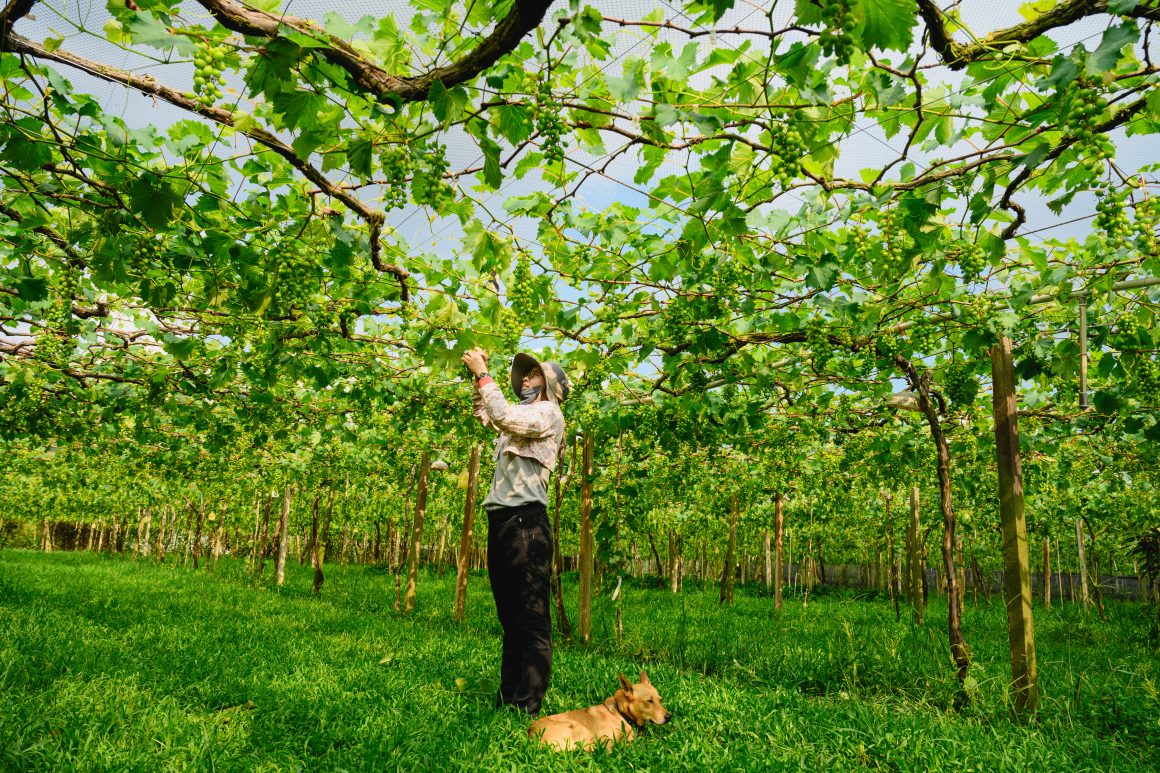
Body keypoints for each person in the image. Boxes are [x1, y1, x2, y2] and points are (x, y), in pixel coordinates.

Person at [461, 346, 570, 716]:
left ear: (550, 386)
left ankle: (528, 706)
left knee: (531, 618)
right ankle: (508, 701)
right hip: (504, 523)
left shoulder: (549, 414)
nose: (525, 378)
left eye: (534, 374)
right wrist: (481, 379)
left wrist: (482, 375)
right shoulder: (522, 414)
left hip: (527, 524)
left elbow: (502, 414)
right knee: (510, 618)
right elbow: (487, 414)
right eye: (524, 374)